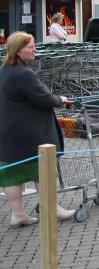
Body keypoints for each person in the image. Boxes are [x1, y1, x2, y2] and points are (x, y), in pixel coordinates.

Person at [0, 32, 76, 226]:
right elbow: (44, 98)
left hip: (9, 133)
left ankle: (18, 214)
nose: (35, 49)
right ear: (17, 50)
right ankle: (52, 209)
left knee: (12, 174)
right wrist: (60, 100)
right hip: (31, 134)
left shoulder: (4, 69)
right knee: (44, 171)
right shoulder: (23, 73)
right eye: (30, 46)